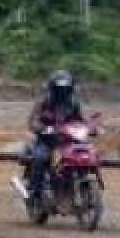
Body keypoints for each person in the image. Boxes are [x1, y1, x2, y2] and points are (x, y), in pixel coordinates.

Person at [26, 69, 86, 202]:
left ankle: (79, 185)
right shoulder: (43, 103)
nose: (62, 92)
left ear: (70, 88)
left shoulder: (74, 104)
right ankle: (34, 192)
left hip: (68, 142)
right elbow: (32, 121)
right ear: (53, 88)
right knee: (40, 158)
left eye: (65, 88)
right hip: (46, 142)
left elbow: (81, 120)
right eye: (59, 88)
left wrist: (90, 128)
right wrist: (42, 128)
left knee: (83, 156)